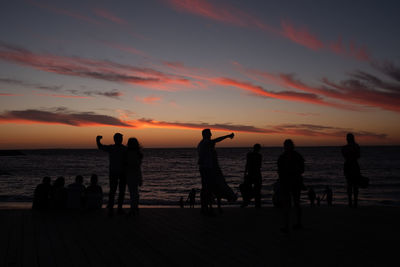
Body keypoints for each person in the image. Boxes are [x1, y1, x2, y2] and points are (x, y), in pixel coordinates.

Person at [197, 129, 236, 215]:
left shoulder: (203, 144)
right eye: (210, 134)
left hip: (208, 169)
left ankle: (207, 208)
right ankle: (208, 208)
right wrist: (227, 136)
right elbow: (216, 140)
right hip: (208, 169)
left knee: (209, 188)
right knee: (210, 188)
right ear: (206, 135)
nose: (211, 135)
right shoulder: (205, 143)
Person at [277, 139, 305, 233]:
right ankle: (291, 224)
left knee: (292, 204)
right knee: (291, 204)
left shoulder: (287, 157)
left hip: (292, 182)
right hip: (290, 182)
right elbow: (302, 169)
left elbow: (301, 169)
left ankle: (291, 224)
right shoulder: (294, 156)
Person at [97, 133, 127, 216]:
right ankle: (114, 209)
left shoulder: (121, 148)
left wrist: (98, 140)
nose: (120, 139)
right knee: (116, 191)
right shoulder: (119, 148)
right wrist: (98, 140)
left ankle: (116, 209)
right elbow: (100, 146)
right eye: (120, 138)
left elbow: (100, 146)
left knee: (117, 191)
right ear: (117, 139)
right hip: (116, 172)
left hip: (119, 173)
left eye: (121, 138)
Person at [125, 137, 143, 216]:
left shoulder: (129, 153)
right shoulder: (137, 154)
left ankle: (133, 209)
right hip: (134, 175)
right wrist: (140, 178)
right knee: (134, 193)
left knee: (133, 193)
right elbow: (138, 167)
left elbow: (128, 165)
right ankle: (135, 208)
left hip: (131, 175)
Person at [341, 133, 360, 208]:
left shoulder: (345, 148)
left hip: (350, 166)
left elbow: (345, 155)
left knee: (351, 185)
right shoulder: (356, 146)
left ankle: (351, 202)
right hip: (353, 166)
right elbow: (358, 156)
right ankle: (353, 202)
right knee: (353, 185)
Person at [242, 144, 262, 208]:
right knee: (255, 189)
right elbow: (258, 166)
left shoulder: (250, 155)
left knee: (249, 189)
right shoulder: (259, 156)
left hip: (252, 174)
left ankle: (248, 201)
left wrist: (245, 173)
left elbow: (247, 164)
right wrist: (245, 173)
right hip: (255, 174)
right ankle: (255, 203)